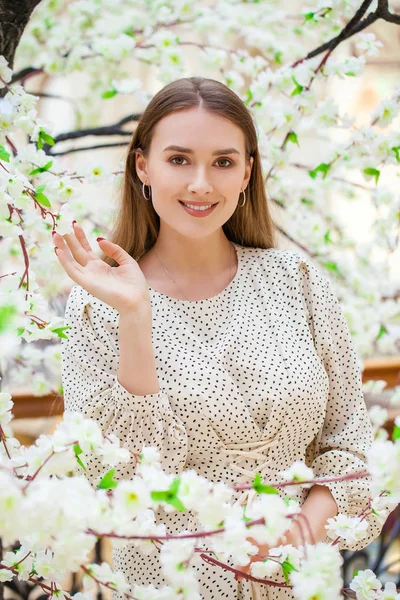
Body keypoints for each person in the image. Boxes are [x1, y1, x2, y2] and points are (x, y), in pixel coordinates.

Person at [55, 77, 382, 600]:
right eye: (179, 159)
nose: (201, 184)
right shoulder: (100, 306)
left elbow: (348, 443)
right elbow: (122, 477)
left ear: (248, 170)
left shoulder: (296, 279)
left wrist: (297, 534)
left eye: (224, 162)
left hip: (297, 584)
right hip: (172, 586)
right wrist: (136, 316)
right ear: (143, 165)